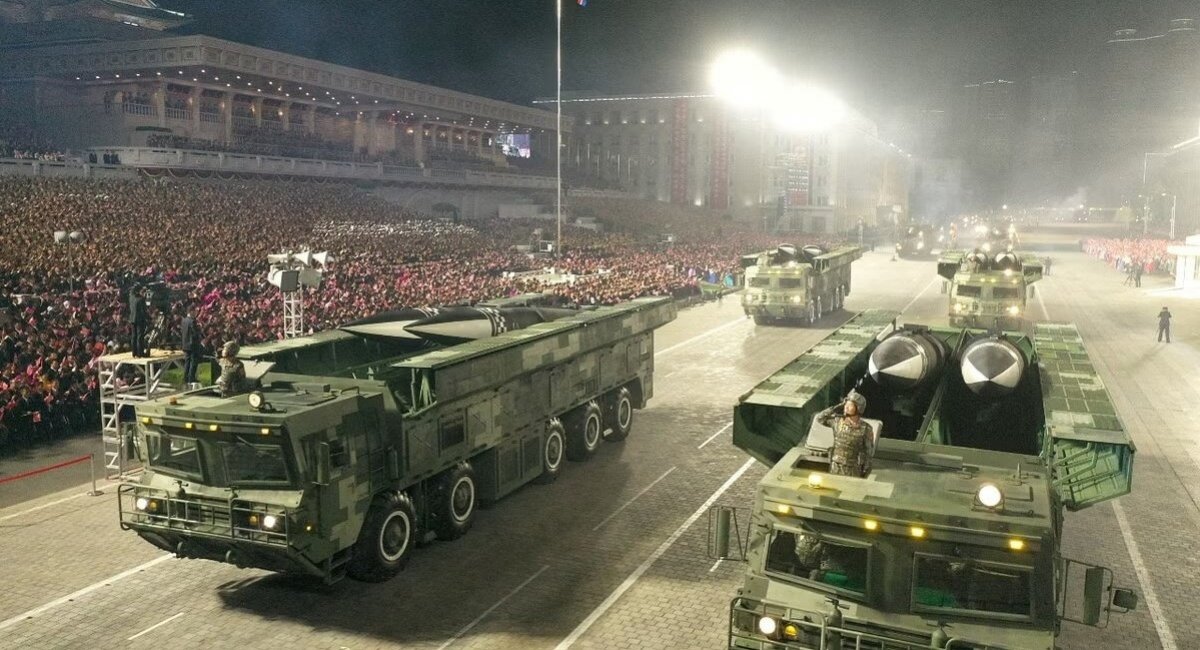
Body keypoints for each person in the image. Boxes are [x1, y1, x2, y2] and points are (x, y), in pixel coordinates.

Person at [816, 390, 875, 477]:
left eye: (850, 405)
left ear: (858, 408)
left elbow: (868, 452)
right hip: (835, 466)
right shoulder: (837, 421)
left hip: (853, 469)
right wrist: (837, 407)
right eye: (845, 405)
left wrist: (865, 471)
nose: (846, 407)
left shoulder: (866, 428)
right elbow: (820, 418)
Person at [180, 310, 202, 385]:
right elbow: (194, 333)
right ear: (191, 312)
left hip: (185, 344)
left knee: (187, 362)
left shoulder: (183, 320)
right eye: (195, 312)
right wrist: (199, 329)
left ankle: (185, 377)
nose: (195, 314)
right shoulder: (192, 321)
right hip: (193, 345)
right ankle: (191, 378)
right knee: (193, 362)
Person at [128, 287, 148, 357]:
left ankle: (134, 352)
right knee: (140, 336)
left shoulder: (131, 298)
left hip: (132, 319)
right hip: (139, 319)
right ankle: (140, 353)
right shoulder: (141, 299)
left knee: (134, 336)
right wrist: (149, 318)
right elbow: (144, 312)